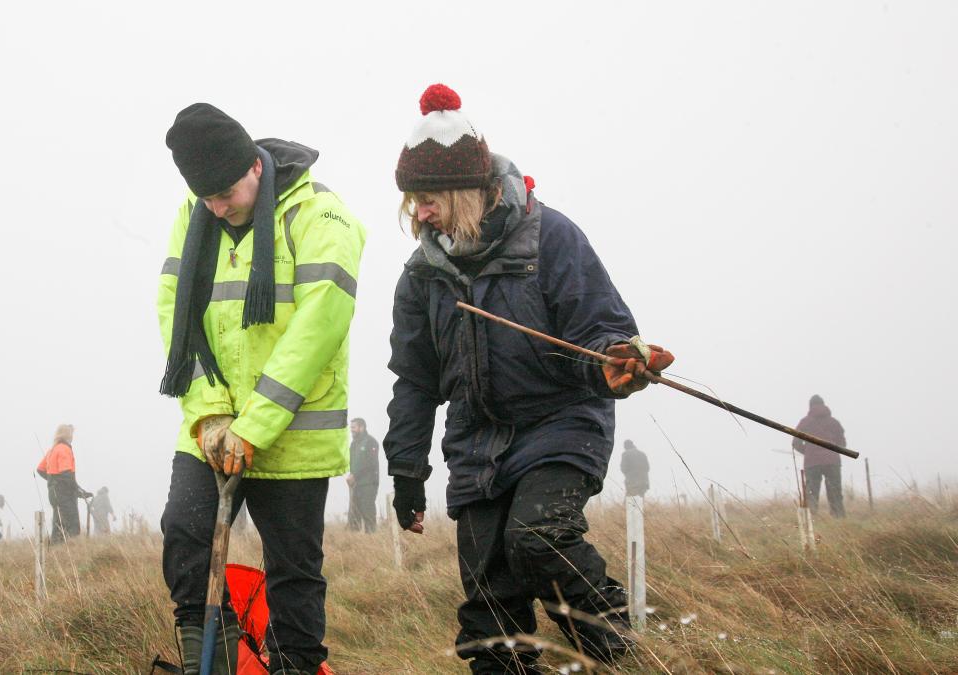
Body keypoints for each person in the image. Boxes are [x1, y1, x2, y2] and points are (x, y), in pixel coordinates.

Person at [383, 84, 675, 673]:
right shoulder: (421, 277)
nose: (420, 212)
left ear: (469, 190)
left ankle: (614, 652)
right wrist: (407, 472)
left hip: (560, 424)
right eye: (413, 199)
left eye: (431, 197)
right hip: (477, 441)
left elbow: (601, 330)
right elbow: (415, 383)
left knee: (538, 537)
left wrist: (614, 362)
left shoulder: (551, 238)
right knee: (489, 607)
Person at [157, 103, 365, 675]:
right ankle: (218, 666)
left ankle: (295, 667)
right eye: (207, 199)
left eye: (226, 193)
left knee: (294, 573)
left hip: (294, 435)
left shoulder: (321, 215)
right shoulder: (194, 215)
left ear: (254, 166)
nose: (218, 208)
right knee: (184, 532)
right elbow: (178, 315)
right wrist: (210, 417)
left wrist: (254, 426)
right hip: (213, 426)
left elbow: (317, 330)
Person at [793, 394, 847, 517]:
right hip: (832, 462)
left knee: (812, 493)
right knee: (835, 493)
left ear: (810, 406)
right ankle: (839, 519)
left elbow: (795, 443)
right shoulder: (834, 422)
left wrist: (807, 451)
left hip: (812, 462)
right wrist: (831, 452)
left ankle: (811, 520)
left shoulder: (805, 422)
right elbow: (842, 444)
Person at [36, 424, 92, 543]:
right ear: (67, 434)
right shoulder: (64, 449)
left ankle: (56, 551)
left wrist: (53, 480)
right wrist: (77, 491)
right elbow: (66, 474)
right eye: (71, 433)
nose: (72, 437)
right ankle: (70, 552)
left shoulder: (53, 450)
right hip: (64, 493)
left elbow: (40, 470)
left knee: (58, 524)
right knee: (72, 524)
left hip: (53, 492)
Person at [346, 418, 380, 533]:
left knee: (368, 514)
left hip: (368, 484)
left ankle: (371, 543)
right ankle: (355, 545)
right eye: (351, 428)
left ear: (362, 427)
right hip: (355, 485)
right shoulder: (353, 444)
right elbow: (352, 463)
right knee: (354, 517)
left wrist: (355, 475)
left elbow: (370, 463)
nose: (352, 430)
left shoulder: (371, 442)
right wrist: (351, 476)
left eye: (354, 427)